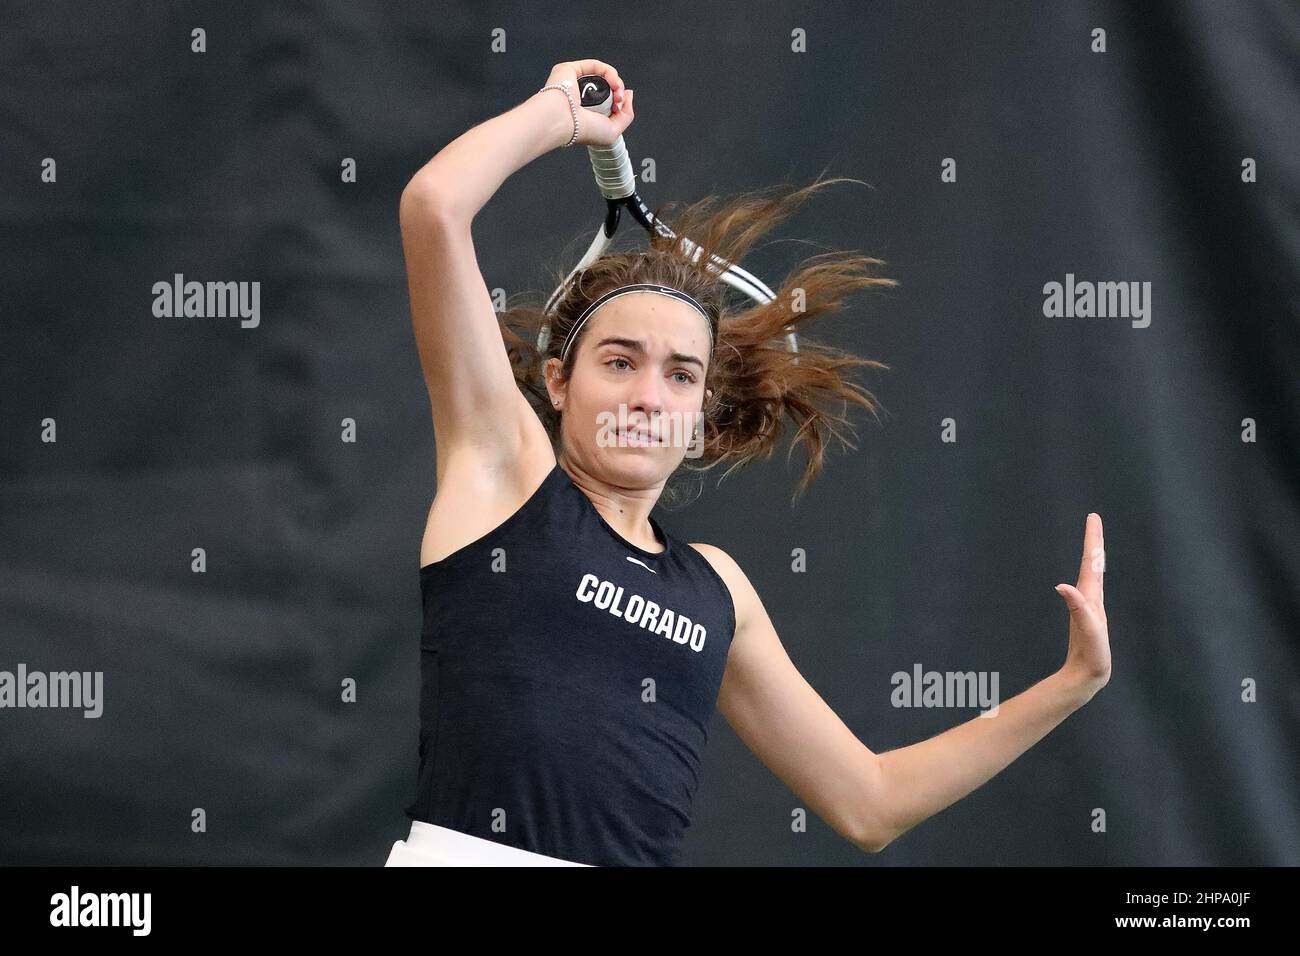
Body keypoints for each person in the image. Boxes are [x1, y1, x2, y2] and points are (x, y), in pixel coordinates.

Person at [386, 58, 1112, 867]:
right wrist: (562, 111)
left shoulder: (717, 591)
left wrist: (1071, 684)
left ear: (701, 410)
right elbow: (435, 207)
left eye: (680, 374)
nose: (649, 395)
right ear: (559, 381)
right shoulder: (505, 477)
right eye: (619, 362)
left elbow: (870, 802)